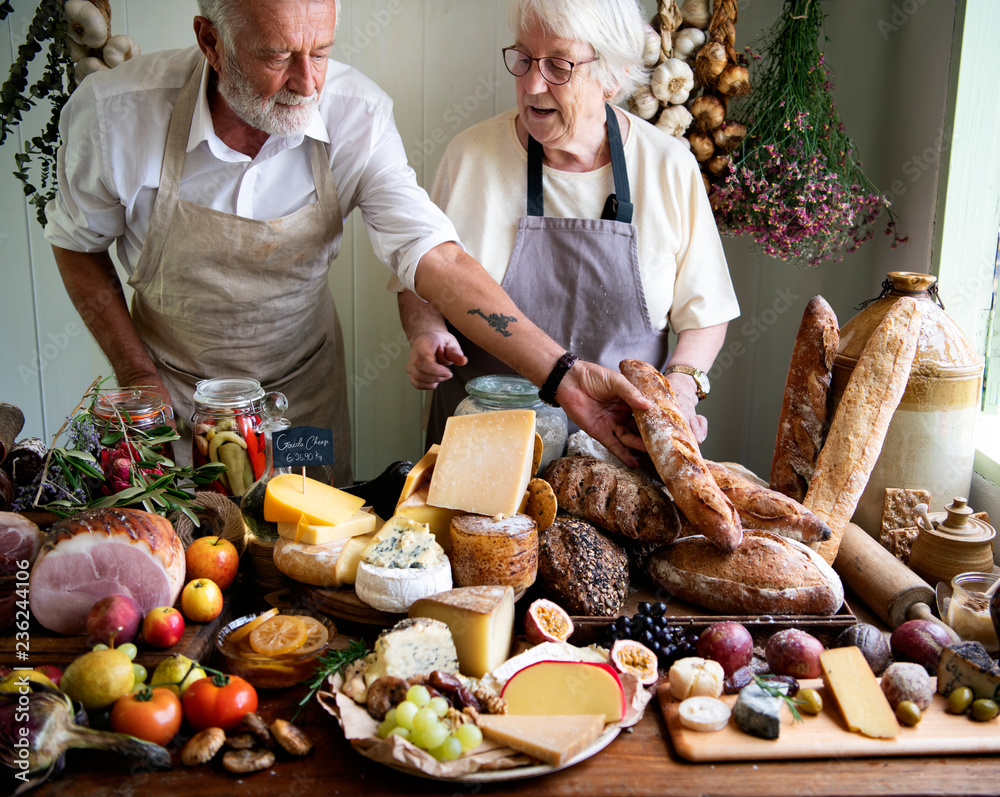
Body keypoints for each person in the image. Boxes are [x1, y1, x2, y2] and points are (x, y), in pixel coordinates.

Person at [45, 0, 654, 486]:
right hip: (169, 394)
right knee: (178, 566)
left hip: (299, 398)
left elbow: (434, 257)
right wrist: (136, 375)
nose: (306, 81)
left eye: (322, 51)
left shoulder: (355, 113)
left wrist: (566, 377)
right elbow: (77, 246)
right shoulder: (114, 116)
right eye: (278, 55)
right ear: (211, 42)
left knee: (301, 569)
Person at [397, 0, 739, 447]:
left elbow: (706, 311)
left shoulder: (667, 166)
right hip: (480, 450)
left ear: (613, 77)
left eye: (559, 65)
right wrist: (427, 330)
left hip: (618, 454)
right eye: (523, 60)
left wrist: (682, 385)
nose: (533, 84)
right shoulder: (471, 157)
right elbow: (420, 279)